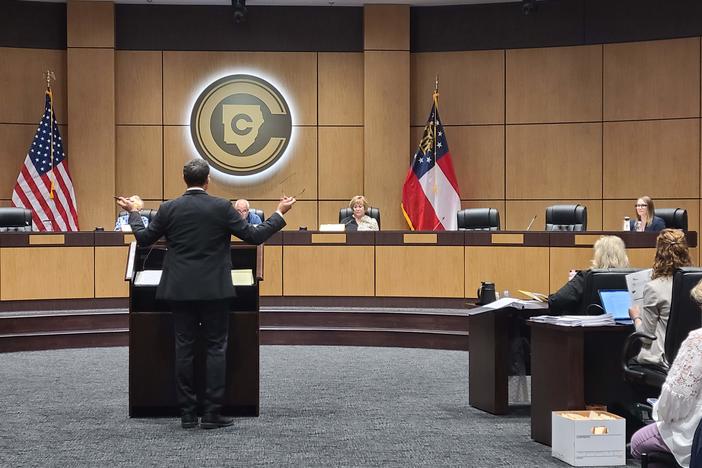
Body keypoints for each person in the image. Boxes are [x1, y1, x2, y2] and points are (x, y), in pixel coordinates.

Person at [116, 159, 295, 430]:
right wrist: (279, 212)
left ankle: (187, 414)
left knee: (184, 348)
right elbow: (253, 236)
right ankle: (211, 414)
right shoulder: (222, 207)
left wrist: (133, 213)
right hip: (214, 289)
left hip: (179, 289)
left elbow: (144, 238)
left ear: (184, 179)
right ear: (208, 180)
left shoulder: (169, 208)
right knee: (215, 348)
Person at [629, 280, 702, 467]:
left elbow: (673, 402)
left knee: (637, 443)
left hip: (693, 437)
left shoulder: (697, 342)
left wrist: (660, 414)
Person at [629, 229, 691, 368]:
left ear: (659, 253)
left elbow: (646, 337)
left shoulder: (654, 288)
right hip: (690, 357)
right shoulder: (697, 285)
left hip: (663, 360)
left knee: (631, 364)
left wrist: (636, 318)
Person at [548, 235, 630, 315]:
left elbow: (556, 301)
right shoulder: (632, 277)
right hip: (626, 328)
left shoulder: (586, 277)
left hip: (589, 327)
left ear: (598, 256)